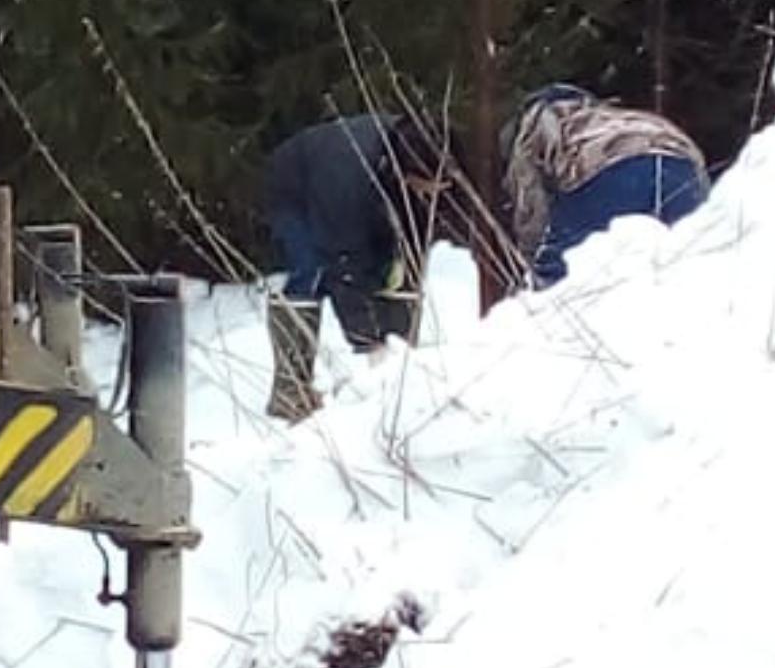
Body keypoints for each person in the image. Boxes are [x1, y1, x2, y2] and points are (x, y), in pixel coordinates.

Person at [256, 107, 450, 419]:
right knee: (311, 270)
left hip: (363, 182)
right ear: (409, 175)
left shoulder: (422, 149)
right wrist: (370, 341)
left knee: (390, 267)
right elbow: (344, 260)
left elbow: (409, 244)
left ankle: (397, 381)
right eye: (426, 188)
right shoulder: (347, 179)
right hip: (297, 185)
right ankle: (290, 392)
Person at [501, 83, 711, 285]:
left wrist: (532, 256)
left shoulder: (536, 125)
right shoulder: (605, 116)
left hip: (609, 166)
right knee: (689, 266)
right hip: (679, 161)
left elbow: (530, 197)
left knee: (562, 276)